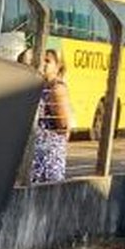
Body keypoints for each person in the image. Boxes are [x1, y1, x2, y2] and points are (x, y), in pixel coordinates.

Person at [31, 48, 73, 184]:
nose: (43, 64)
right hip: (36, 152)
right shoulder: (41, 85)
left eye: (48, 61)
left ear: (58, 66)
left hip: (48, 155)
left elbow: (63, 125)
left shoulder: (56, 89)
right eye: (41, 59)